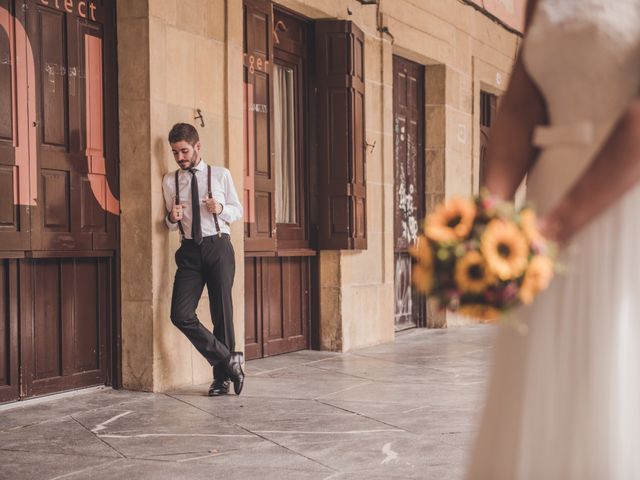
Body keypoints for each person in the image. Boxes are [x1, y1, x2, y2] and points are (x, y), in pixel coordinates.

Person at [467, 0, 640, 478]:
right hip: (547, 198)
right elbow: (522, 104)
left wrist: (555, 228)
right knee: (536, 376)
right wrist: (493, 213)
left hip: (623, 200)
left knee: (606, 367)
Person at [162, 123, 245, 396]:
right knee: (180, 314)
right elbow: (172, 223)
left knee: (222, 313)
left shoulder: (220, 175)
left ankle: (221, 379)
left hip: (218, 246)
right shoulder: (170, 180)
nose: (180, 157)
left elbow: (237, 210)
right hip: (189, 251)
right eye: (175, 153)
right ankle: (229, 359)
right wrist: (171, 219)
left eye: (184, 151)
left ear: (198, 147)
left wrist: (219, 208)